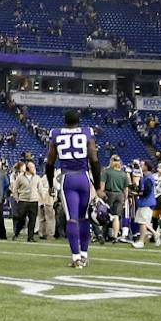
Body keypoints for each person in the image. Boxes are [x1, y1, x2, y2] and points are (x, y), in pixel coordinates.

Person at [48, 110, 100, 268]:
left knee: (72, 218)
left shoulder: (56, 134)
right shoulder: (86, 132)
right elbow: (94, 159)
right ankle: (84, 254)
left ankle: (76, 257)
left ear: (65, 121)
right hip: (84, 177)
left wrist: (50, 184)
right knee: (84, 217)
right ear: (79, 121)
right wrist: (97, 185)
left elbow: (50, 162)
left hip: (67, 178)